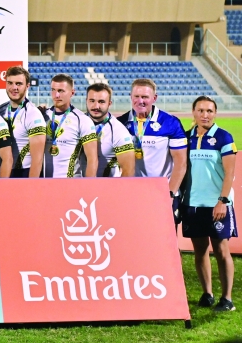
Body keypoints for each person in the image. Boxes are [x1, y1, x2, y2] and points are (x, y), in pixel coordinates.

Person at [183, 96, 236, 312]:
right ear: (193, 112)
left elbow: (230, 173)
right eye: (201, 110)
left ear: (215, 113)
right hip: (193, 204)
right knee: (200, 251)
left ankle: (227, 299)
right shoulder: (186, 138)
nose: (205, 115)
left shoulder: (223, 137)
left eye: (210, 111)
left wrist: (222, 201)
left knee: (221, 250)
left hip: (217, 205)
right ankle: (207, 294)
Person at [116, 78, 188, 217]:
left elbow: (181, 163)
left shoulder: (170, 122)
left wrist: (171, 193)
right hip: (134, 192)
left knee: (167, 236)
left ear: (154, 98)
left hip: (163, 192)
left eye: (145, 97)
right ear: (131, 97)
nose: (140, 101)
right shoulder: (121, 123)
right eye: (136, 96)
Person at [42, 74, 98, 178]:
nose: (56, 95)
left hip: (71, 185)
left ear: (72, 92)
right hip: (44, 185)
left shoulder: (82, 120)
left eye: (61, 91)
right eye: (53, 90)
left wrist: (90, 187)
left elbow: (92, 159)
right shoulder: (42, 116)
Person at [0, 66, 46, 178]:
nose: (14, 87)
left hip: (25, 174)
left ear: (27, 86)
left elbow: (37, 160)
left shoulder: (33, 114)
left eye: (18, 84)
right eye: (10, 83)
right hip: (3, 172)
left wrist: (30, 186)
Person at [85, 83, 136, 178]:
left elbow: (128, 171)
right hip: (74, 187)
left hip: (105, 189)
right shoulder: (76, 123)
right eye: (92, 101)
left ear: (109, 103)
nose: (96, 106)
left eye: (101, 102)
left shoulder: (119, 131)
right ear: (86, 101)